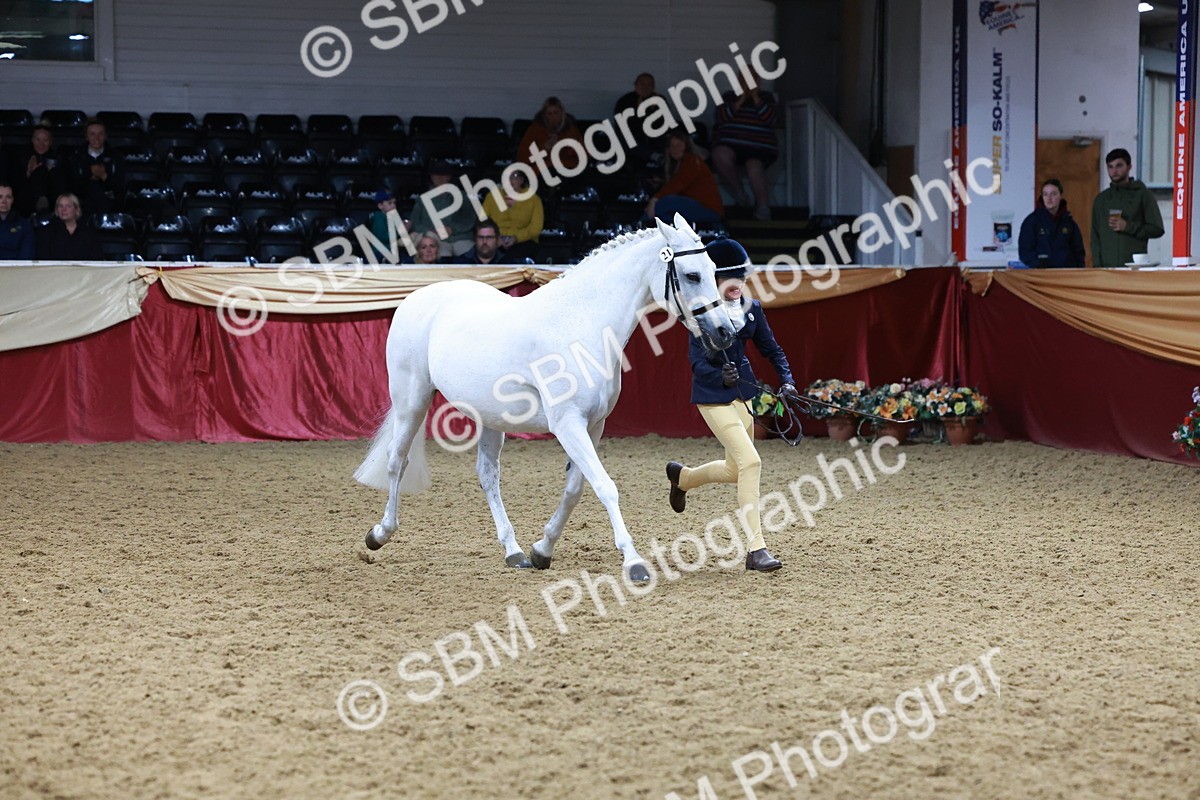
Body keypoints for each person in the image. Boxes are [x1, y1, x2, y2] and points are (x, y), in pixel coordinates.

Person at [664, 236, 794, 572]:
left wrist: (788, 382)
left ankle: (684, 479)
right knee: (751, 462)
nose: (738, 286)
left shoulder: (751, 310)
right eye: (730, 280)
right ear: (715, 281)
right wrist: (720, 375)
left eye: (742, 279)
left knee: (734, 470)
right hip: (713, 398)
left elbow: (773, 350)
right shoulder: (701, 316)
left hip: (743, 397)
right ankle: (756, 549)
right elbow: (696, 364)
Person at [711, 88, 778, 221]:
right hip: (731, 144)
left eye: (753, 78)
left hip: (759, 147)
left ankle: (763, 207)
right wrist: (741, 99)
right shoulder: (729, 96)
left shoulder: (766, 97)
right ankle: (741, 194)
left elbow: (771, 119)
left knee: (754, 166)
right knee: (720, 154)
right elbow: (721, 117)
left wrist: (755, 97)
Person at [1090, 148, 1164, 268]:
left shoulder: (1143, 194)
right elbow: (1095, 237)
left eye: (1119, 166)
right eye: (1110, 167)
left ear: (1129, 167)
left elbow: (1157, 229)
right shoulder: (1101, 200)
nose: (1114, 171)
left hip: (1135, 268)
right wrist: (1098, 267)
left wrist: (1128, 227)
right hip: (1106, 270)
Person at [643, 131, 724, 227]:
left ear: (686, 146)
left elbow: (679, 184)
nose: (675, 149)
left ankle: (636, 227)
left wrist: (654, 199)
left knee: (668, 201)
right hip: (695, 207)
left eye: (679, 145)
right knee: (664, 217)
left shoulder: (692, 160)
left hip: (708, 209)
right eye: (672, 146)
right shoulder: (677, 165)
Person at [405, 160, 477, 258]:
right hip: (436, 240)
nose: (439, 178)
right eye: (436, 175)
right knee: (440, 255)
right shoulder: (422, 199)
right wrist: (433, 231)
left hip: (461, 238)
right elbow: (415, 224)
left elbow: (470, 219)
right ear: (431, 177)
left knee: (471, 255)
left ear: (449, 177)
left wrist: (452, 229)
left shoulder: (462, 196)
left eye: (443, 175)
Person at [1017, 179, 1086, 268]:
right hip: (1041, 275)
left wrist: (1078, 272)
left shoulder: (1069, 223)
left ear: (1060, 195)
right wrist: (1040, 265)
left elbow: (1079, 253)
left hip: (1067, 275)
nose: (1049, 198)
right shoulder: (1031, 222)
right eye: (1045, 194)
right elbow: (1025, 252)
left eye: (1053, 194)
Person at [482, 170, 543, 262]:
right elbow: (483, 222)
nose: (509, 180)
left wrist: (517, 238)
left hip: (524, 240)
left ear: (521, 180)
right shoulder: (492, 196)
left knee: (511, 257)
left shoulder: (534, 199)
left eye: (514, 176)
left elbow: (536, 228)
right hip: (497, 239)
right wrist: (496, 238)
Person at [515, 96, 585, 172]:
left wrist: (569, 147)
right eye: (549, 114)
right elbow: (522, 158)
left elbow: (583, 156)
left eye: (556, 113)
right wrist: (544, 148)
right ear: (544, 115)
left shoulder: (571, 130)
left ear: (562, 113)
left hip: (567, 170)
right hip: (543, 171)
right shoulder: (535, 130)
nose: (553, 117)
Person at [67, 119, 121, 215]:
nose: (97, 138)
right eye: (92, 134)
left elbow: (119, 186)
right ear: (86, 137)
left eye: (100, 134)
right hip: (83, 198)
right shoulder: (77, 156)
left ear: (105, 136)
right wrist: (89, 174)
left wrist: (104, 176)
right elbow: (73, 184)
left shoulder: (115, 156)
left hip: (108, 199)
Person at [614, 72, 666, 165]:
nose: (645, 87)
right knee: (623, 139)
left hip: (653, 139)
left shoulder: (659, 100)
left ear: (653, 87)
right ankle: (655, 156)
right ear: (635, 85)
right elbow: (623, 127)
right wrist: (639, 112)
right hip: (632, 140)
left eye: (649, 85)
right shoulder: (625, 101)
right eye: (642, 84)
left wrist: (652, 111)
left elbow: (662, 126)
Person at [36, 193, 100, 260]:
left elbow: (96, 259)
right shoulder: (46, 232)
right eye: (60, 206)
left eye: (68, 206)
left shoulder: (88, 233)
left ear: (77, 209)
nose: (63, 210)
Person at [17, 126, 65, 216]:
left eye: (45, 140)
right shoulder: (22, 157)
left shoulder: (58, 159)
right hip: (27, 201)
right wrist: (29, 173)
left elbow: (62, 187)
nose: (41, 144)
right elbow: (15, 185)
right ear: (32, 140)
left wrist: (53, 173)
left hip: (52, 201)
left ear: (51, 142)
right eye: (38, 140)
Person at [445, 219, 514, 265]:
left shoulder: (509, 263)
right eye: (481, 237)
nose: (484, 241)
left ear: (497, 239)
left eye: (489, 237)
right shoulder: (461, 263)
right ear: (475, 239)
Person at [0, 183, 36, 260]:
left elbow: (27, 254)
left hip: (16, 270)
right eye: (0, 197)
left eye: (8, 197)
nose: (4, 201)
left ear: (12, 200)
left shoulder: (24, 225)